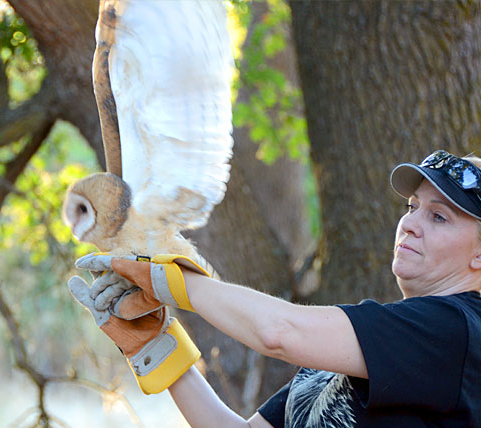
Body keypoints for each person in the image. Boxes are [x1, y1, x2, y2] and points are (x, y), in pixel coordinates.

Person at [68, 150, 481, 428]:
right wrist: (154, 347)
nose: (409, 223)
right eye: (412, 208)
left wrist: (174, 280)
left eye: (439, 217)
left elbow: (277, 332)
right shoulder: (356, 346)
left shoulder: (458, 332)